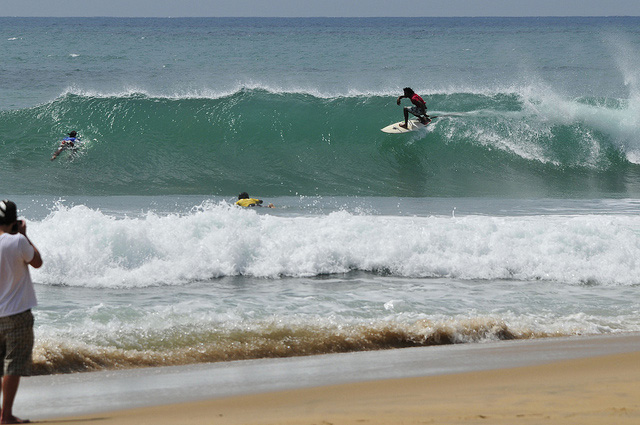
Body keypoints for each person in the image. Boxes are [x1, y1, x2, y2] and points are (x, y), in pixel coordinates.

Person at [0, 200, 42, 425]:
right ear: (14, 220)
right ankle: (6, 416)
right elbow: (37, 262)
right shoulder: (17, 242)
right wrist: (25, 235)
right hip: (17, 315)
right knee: (13, 365)